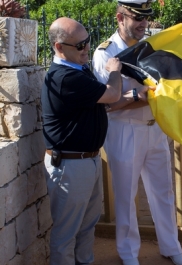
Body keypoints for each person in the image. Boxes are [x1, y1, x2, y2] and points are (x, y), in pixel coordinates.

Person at [41, 17, 149, 265]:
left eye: (87, 41)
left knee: (87, 227)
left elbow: (105, 104)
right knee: (65, 235)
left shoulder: (79, 70)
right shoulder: (64, 77)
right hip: (70, 166)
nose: (87, 49)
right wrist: (114, 71)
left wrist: (133, 96)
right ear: (59, 47)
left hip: (85, 162)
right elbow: (111, 94)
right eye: (80, 45)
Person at [92, 1, 182, 265]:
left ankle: (171, 247)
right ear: (119, 18)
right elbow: (107, 101)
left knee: (163, 192)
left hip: (155, 128)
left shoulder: (152, 45)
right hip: (125, 130)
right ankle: (128, 253)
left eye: (145, 18)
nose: (142, 24)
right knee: (125, 196)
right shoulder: (106, 53)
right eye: (136, 18)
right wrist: (140, 96)